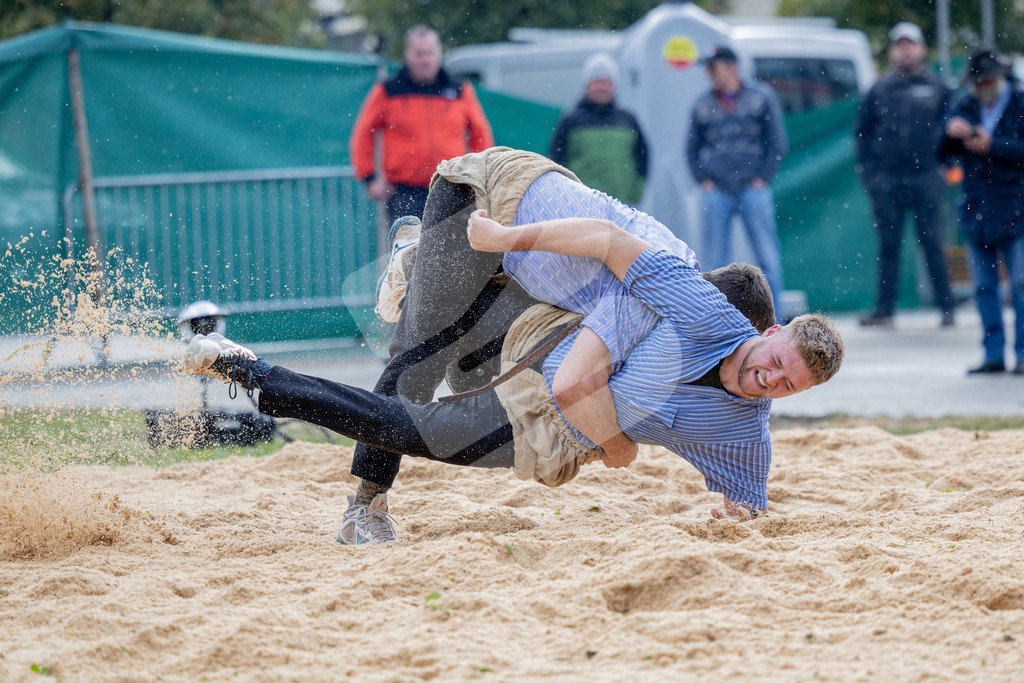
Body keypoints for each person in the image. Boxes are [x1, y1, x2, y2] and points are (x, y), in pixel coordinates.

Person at [184, 148, 844, 545]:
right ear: (755, 329)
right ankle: (362, 503)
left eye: (785, 384)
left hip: (529, 297)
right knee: (414, 374)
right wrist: (616, 442)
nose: (768, 380)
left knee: (441, 402)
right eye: (775, 365)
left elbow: (748, 501)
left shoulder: (723, 391)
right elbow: (596, 258)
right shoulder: (664, 295)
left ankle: (412, 293)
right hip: (489, 196)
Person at [855, 22, 957, 329]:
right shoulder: (879, 89)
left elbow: (952, 131)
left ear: (922, 49)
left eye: (910, 43)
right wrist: (871, 176)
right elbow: (861, 135)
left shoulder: (939, 88)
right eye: (899, 44)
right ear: (892, 51)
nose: (905, 49)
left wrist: (943, 169)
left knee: (932, 243)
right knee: (889, 245)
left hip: (926, 177)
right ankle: (884, 311)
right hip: (887, 180)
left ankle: (947, 309)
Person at [349, 26, 494, 224]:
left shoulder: (460, 90)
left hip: (451, 189)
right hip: (403, 193)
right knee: (408, 252)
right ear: (407, 55)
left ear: (439, 53)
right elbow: (363, 133)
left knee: (451, 252)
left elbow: (480, 133)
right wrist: (369, 178)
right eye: (419, 54)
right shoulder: (387, 91)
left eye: (430, 53)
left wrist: (478, 176)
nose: (425, 60)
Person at [938, 47, 1024, 375]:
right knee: (984, 288)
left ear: (1000, 78)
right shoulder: (965, 106)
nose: (982, 86)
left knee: (1020, 283)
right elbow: (939, 152)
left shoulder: (1020, 103)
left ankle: (1023, 352)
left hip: (1017, 207)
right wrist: (950, 132)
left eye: (986, 80)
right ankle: (993, 354)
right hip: (978, 209)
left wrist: (994, 145)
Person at [687, 46, 788, 317]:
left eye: (713, 67)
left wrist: (762, 178)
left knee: (767, 258)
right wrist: (704, 180)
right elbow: (691, 150)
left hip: (752, 188)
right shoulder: (702, 103)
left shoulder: (761, 97)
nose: (709, 73)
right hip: (716, 190)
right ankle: (716, 321)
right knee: (714, 263)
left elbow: (777, 142)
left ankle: (772, 319)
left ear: (732, 68)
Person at [548, 52, 649, 206]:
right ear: (587, 85)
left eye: (606, 82)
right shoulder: (571, 121)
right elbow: (557, 159)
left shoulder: (628, 120)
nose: (602, 87)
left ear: (614, 85)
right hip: (581, 203)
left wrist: (635, 194)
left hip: (621, 204)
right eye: (597, 81)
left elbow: (643, 158)